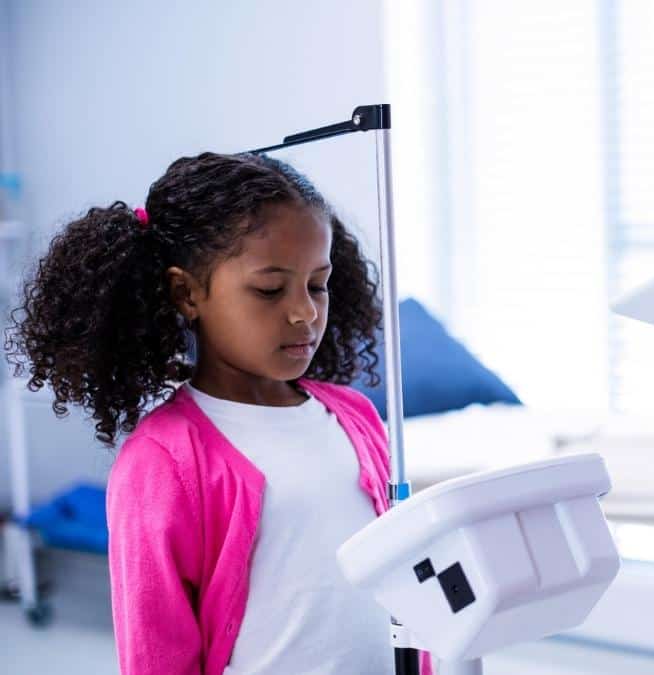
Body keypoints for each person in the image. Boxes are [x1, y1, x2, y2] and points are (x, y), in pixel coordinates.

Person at [6, 153, 433, 675]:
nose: (305, 312)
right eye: (270, 289)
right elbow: (157, 652)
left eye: (317, 284)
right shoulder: (163, 460)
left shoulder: (353, 415)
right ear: (187, 293)